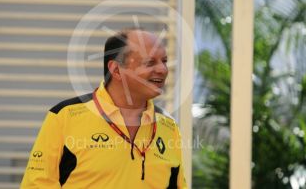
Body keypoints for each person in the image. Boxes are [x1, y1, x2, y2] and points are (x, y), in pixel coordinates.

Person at [21, 28, 187, 188]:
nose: (163, 69)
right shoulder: (65, 115)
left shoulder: (169, 126)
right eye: (150, 62)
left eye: (164, 61)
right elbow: (37, 184)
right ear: (116, 70)